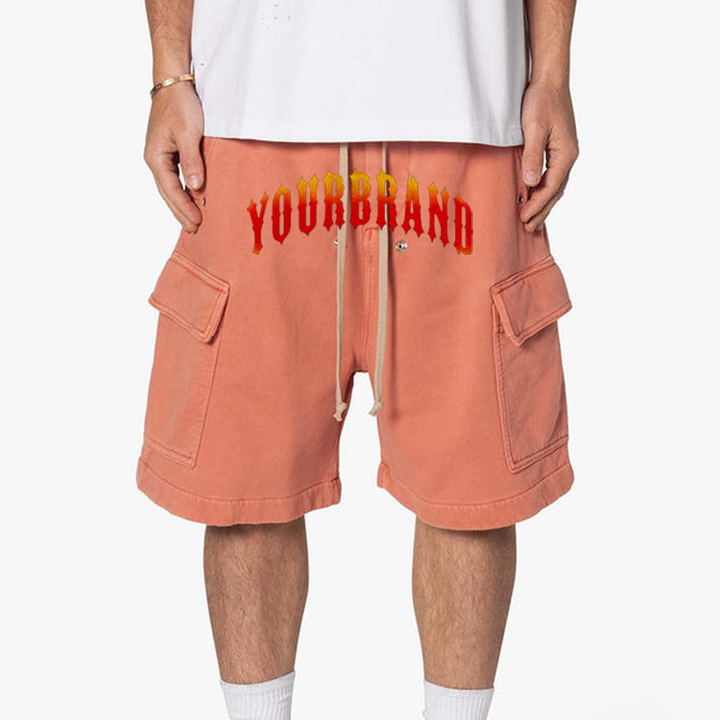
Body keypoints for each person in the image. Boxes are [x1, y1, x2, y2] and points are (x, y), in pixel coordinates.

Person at [138, 0, 579, 717]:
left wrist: (552, 74)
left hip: (465, 111)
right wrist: (168, 73)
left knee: (470, 489)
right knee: (247, 488)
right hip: (253, 111)